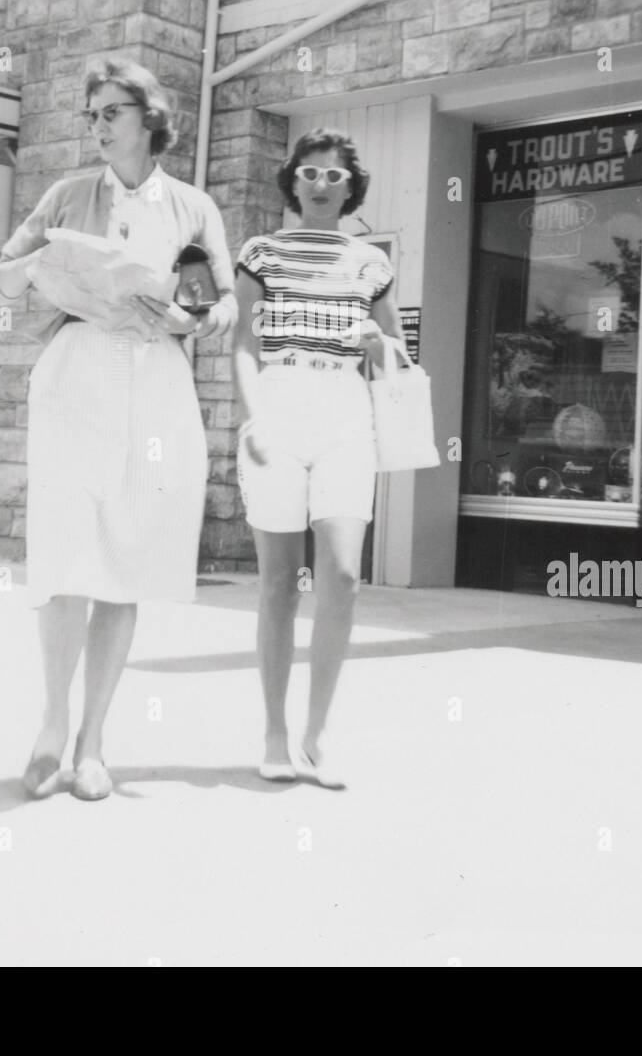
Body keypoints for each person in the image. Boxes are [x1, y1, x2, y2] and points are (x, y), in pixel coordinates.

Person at [0, 56, 236, 802]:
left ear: (149, 118)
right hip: (77, 376)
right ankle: (51, 729)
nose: (97, 126)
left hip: (155, 377)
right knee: (65, 554)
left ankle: (94, 745)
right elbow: (0, 280)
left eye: (110, 112)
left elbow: (218, 306)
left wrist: (197, 315)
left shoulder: (193, 209)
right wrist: (32, 266)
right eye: (91, 113)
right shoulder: (65, 196)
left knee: (125, 558)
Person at [232, 128, 404, 789]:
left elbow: (399, 355)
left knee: (341, 575)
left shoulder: (371, 263)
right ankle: (274, 734)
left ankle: (316, 734)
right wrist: (253, 417)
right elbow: (244, 344)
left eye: (335, 177)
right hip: (277, 401)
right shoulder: (261, 253)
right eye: (311, 173)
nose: (322, 185)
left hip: (343, 412)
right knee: (278, 583)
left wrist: (376, 340)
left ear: (351, 187)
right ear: (293, 181)